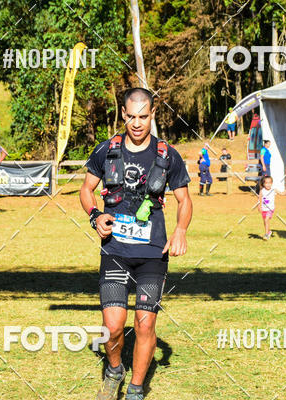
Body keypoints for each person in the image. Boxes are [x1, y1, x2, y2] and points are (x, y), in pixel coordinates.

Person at [80, 88, 192, 400]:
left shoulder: (167, 154)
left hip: (152, 255)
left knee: (144, 325)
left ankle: (136, 389)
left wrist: (181, 231)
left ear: (153, 114)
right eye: (131, 116)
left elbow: (184, 199)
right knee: (113, 326)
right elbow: (86, 189)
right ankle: (115, 369)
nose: (137, 123)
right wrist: (95, 215)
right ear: (123, 114)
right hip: (115, 251)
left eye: (143, 116)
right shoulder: (107, 150)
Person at [258, 175, 283, 240]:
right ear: (263, 184)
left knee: (266, 220)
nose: (268, 184)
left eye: (270, 183)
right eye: (266, 183)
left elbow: (282, 193)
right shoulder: (262, 191)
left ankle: (266, 235)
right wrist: (259, 206)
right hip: (264, 209)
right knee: (265, 222)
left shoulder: (273, 190)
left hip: (270, 209)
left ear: (272, 183)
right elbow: (259, 199)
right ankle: (269, 232)